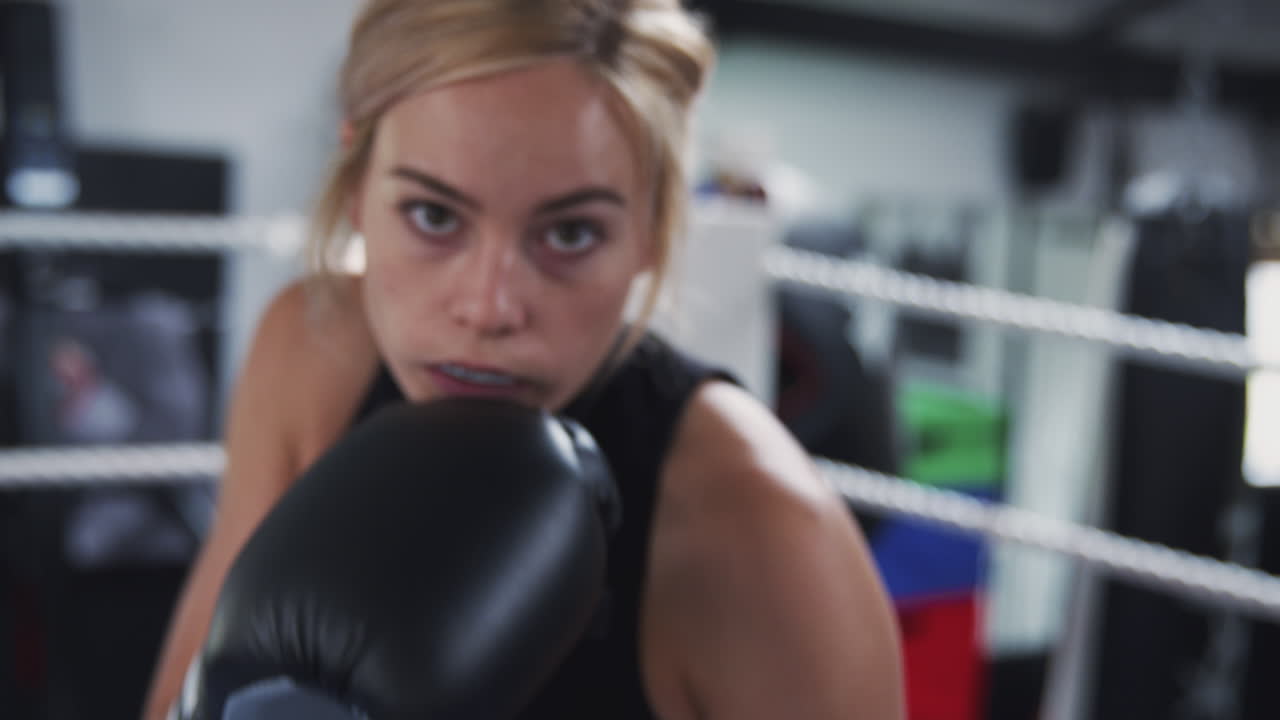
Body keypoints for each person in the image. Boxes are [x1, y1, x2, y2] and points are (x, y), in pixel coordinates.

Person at [143, 1, 905, 718]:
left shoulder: (767, 538)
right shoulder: (311, 350)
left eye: (569, 233)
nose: (490, 306)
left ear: (652, 228)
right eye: (434, 216)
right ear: (356, 188)